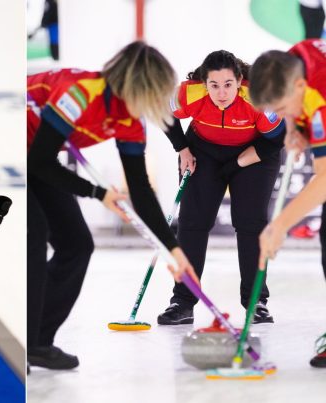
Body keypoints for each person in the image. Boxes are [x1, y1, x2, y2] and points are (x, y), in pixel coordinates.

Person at [26, 41, 198, 370]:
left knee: (76, 245)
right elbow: (39, 162)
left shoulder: (131, 119)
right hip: (23, 153)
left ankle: (38, 343)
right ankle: (27, 338)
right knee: (35, 237)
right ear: (136, 87)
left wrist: (173, 251)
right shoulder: (79, 95)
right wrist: (98, 192)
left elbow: (141, 190)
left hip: (40, 159)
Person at [157, 50, 286, 326]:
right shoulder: (190, 93)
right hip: (203, 150)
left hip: (254, 154)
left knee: (251, 224)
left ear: (239, 80)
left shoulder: (258, 97)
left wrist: (237, 163)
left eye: (228, 84)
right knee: (192, 222)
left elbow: (275, 140)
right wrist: (182, 149)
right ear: (204, 83)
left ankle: (256, 301)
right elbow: (162, 110)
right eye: (214, 85)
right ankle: (182, 301)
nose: (221, 93)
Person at [250, 38, 326, 368]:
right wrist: (292, 128)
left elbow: (324, 179)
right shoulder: (293, 58)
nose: (281, 115)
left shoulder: (320, 99)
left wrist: (278, 225)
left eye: (282, 110)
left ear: (299, 86)